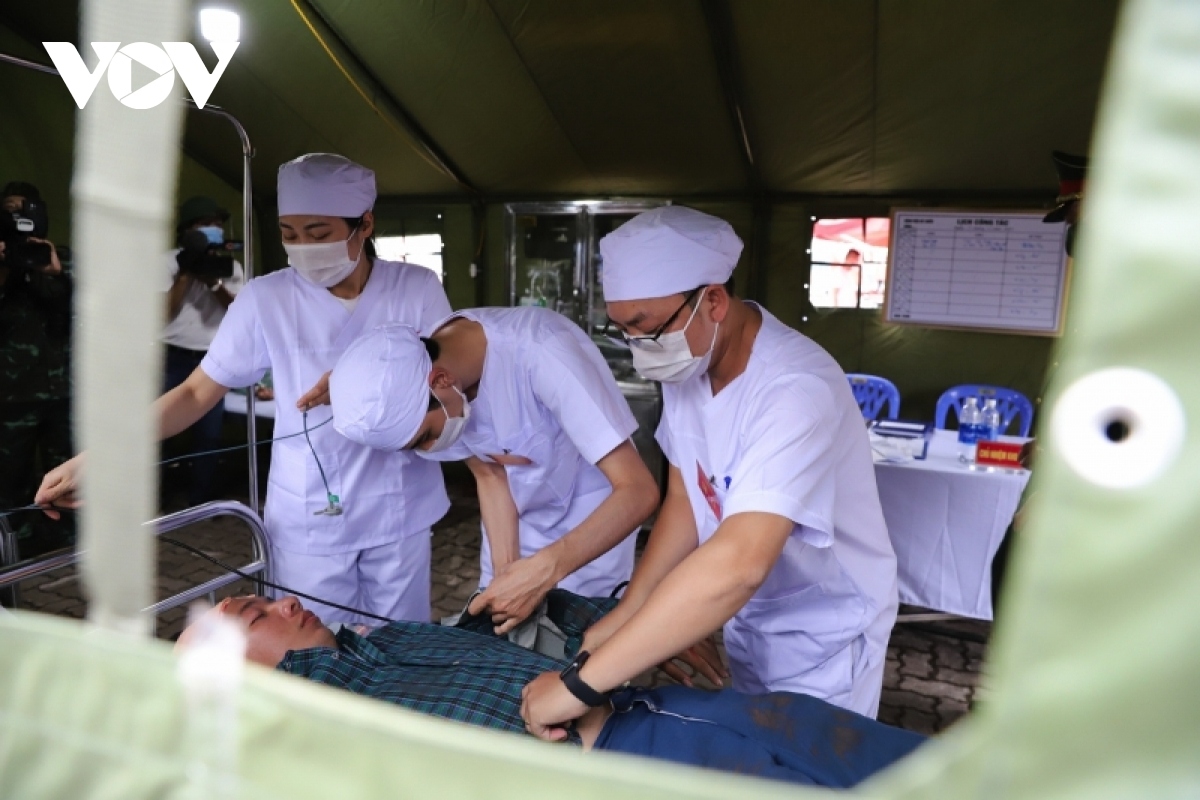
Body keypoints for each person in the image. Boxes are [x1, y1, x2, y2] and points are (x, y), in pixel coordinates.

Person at [522, 206, 899, 736]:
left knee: (807, 764)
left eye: (644, 328)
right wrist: (628, 615)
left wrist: (582, 687)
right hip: (754, 614)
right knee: (752, 754)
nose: (636, 348)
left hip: (825, 630)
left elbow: (740, 561)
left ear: (713, 301)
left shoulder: (794, 389)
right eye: (622, 329)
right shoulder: (690, 367)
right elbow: (686, 503)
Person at [35, 154, 452, 623]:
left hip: (399, 506)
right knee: (311, 654)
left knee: (401, 648)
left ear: (365, 223)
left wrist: (367, 381)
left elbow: (453, 375)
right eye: (289, 235)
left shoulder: (415, 288)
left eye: (318, 234)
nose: (303, 249)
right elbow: (196, 393)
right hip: (310, 515)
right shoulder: (266, 297)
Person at [178, 593, 925, 788]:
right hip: (642, 768)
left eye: (266, 598)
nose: (283, 605)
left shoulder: (391, 639)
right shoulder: (316, 713)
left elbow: (524, 628)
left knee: (908, 765)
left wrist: (636, 621)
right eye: (255, 615)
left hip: (680, 712)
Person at [326, 312, 658, 632]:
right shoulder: (433, 382)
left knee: (584, 640)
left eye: (424, 438)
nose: (429, 451)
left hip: (595, 514)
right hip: (518, 517)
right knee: (504, 625)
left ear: (441, 381)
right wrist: (507, 575)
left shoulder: (542, 350)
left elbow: (638, 490)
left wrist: (546, 569)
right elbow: (490, 474)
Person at [0, 181, 75, 560]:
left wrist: (56, 274)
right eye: (10, 209)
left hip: (62, 390)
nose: (19, 216)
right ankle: (16, 543)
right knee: (10, 475)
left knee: (65, 470)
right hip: (12, 393)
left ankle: (66, 538)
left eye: (25, 208)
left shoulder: (62, 258)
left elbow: (81, 311)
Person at [160, 196, 245, 505]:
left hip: (212, 360)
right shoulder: (168, 262)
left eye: (218, 224)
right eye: (205, 225)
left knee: (209, 435)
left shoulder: (229, 266)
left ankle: (201, 500)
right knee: (159, 430)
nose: (214, 230)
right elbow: (161, 314)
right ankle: (155, 498)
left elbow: (240, 311)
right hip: (171, 357)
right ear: (186, 230)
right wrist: (185, 275)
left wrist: (212, 283)